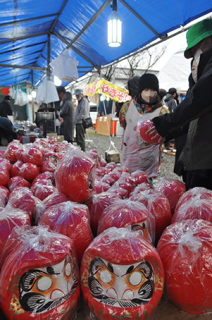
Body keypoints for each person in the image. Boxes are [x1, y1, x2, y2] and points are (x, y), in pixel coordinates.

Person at [147, 18, 212, 190]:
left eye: (197, 49)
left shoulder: (205, 83)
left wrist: (165, 124)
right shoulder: (198, 80)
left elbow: (199, 100)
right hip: (196, 165)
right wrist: (166, 133)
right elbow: (192, 115)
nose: (195, 57)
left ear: (209, 40)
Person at [119, 73, 168, 180]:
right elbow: (124, 124)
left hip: (148, 164)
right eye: (146, 90)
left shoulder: (163, 112)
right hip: (128, 159)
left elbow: (166, 134)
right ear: (140, 90)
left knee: (145, 192)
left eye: (153, 90)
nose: (149, 94)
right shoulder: (127, 107)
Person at [163, 87, 178, 153]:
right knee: (176, 132)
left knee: (166, 132)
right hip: (171, 118)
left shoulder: (164, 98)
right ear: (174, 94)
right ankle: (175, 147)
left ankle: (166, 147)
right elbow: (175, 110)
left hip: (164, 117)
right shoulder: (173, 100)